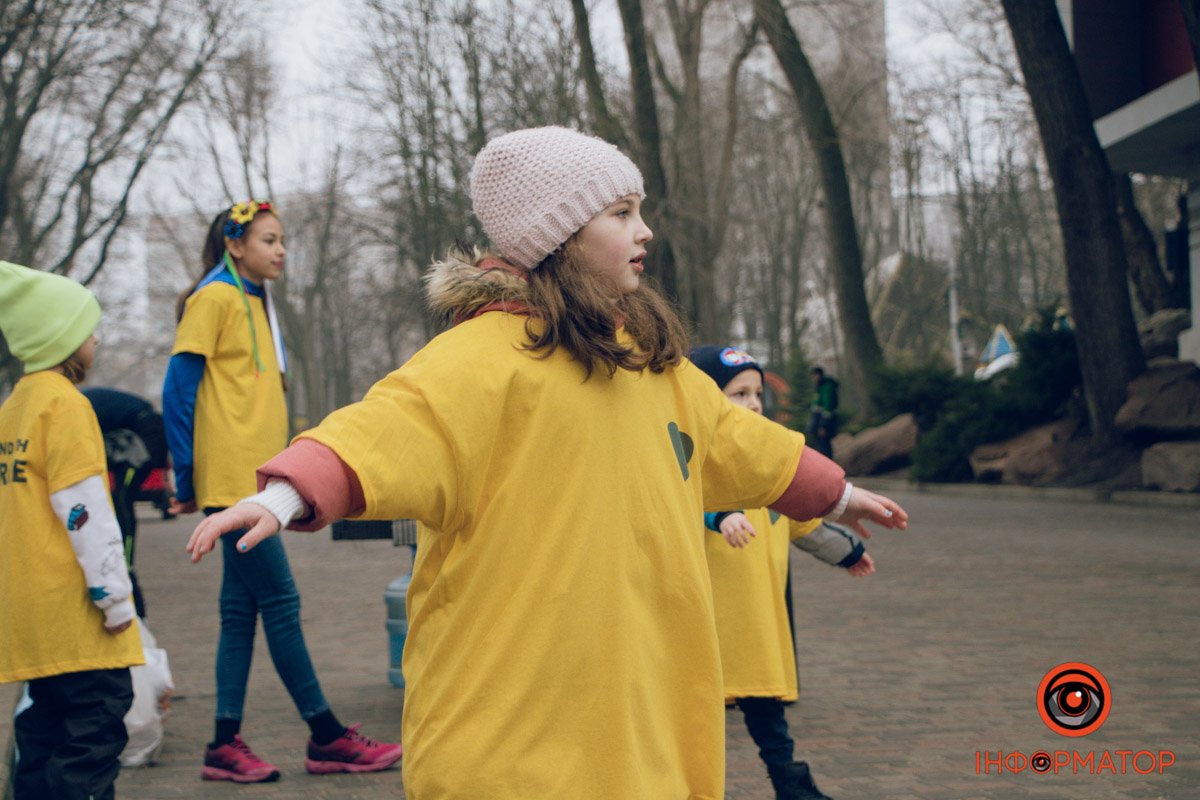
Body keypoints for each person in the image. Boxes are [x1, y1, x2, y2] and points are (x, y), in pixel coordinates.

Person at [184, 127, 908, 799]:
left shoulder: (652, 364)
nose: (644, 230)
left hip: (635, 702)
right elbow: (386, 430)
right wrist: (282, 496)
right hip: (515, 724)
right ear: (557, 237)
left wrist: (834, 493)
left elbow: (733, 441)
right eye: (621, 213)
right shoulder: (476, 363)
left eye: (638, 210)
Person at [161, 200, 401, 783]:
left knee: (239, 613)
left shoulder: (258, 300)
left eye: (282, 239)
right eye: (268, 240)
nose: (280, 249)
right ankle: (326, 737)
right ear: (234, 245)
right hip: (230, 483)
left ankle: (223, 744)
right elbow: (178, 389)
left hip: (257, 479)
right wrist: (187, 477)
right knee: (283, 604)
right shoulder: (214, 297)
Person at [691, 345, 875, 800]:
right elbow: (673, 505)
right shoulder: (693, 459)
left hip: (752, 624)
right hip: (703, 625)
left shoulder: (769, 466)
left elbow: (803, 521)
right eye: (737, 394)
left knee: (767, 712)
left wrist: (846, 550)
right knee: (691, 716)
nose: (752, 404)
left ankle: (791, 784)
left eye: (756, 393)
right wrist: (716, 517)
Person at [0, 261, 143, 800]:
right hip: (77, 617)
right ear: (59, 338)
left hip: (32, 616)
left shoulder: (13, 409)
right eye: (87, 328)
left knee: (41, 733)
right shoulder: (66, 406)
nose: (96, 338)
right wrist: (116, 600)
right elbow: (84, 512)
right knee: (93, 733)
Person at [82, 387, 170, 618]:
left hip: (147, 433)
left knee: (122, 499)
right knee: (120, 498)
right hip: (144, 430)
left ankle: (126, 560)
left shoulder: (76, 407)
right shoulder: (82, 403)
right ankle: (123, 558)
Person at [808, 366, 839, 458]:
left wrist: (823, 425)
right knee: (821, 446)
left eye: (815, 375)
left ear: (819, 375)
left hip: (823, 422)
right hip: (818, 422)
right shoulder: (820, 386)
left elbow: (828, 408)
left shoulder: (827, 387)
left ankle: (829, 469)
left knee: (824, 447)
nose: (813, 378)